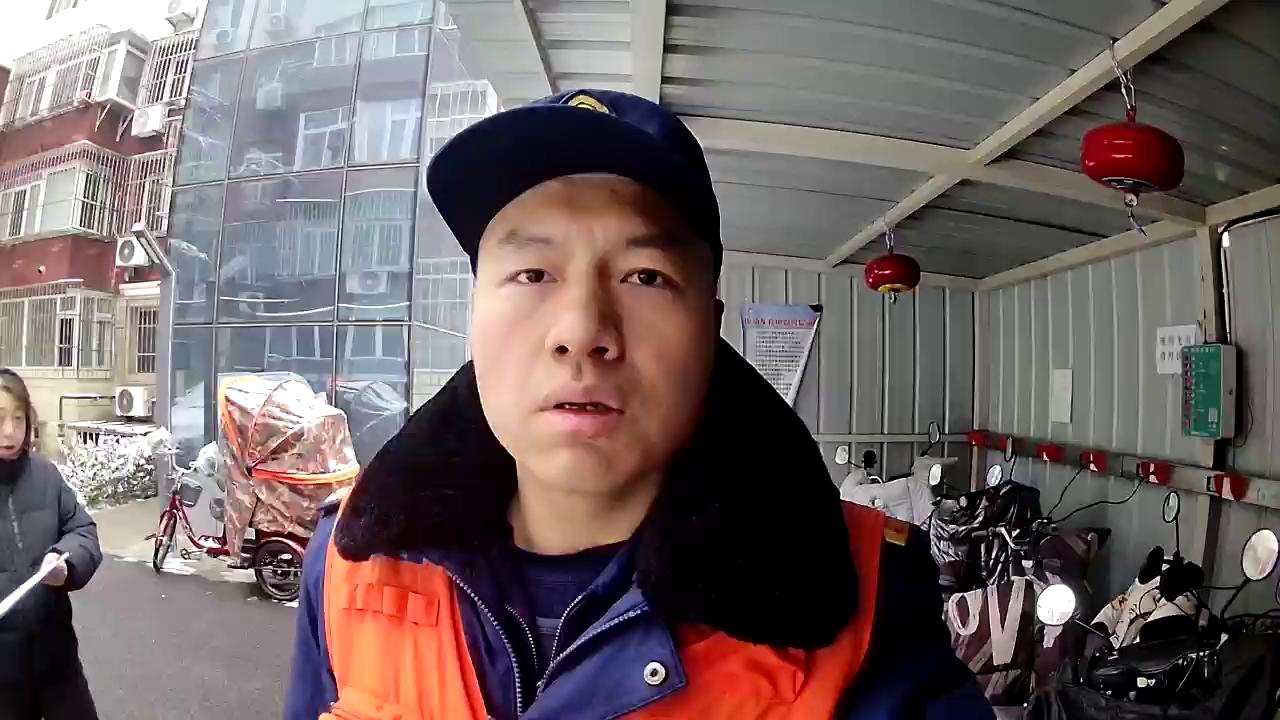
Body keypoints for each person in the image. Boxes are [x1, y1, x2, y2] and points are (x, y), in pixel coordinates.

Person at [286, 89, 992, 719]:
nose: (581, 331)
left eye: (645, 276)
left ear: (710, 327)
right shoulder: (348, 563)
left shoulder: (868, 600)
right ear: (472, 314)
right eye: (532, 272)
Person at [0, 368, 102, 720]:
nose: (10, 431)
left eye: (18, 418)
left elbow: (83, 530)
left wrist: (65, 563)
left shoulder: (45, 476)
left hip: (58, 662)